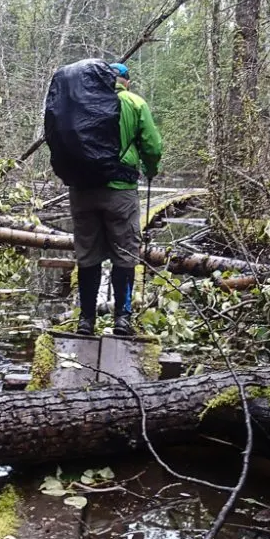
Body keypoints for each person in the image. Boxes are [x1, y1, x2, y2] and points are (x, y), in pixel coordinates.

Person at [71, 62, 163, 337]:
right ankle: (122, 319)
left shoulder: (81, 101)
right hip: (120, 190)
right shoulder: (134, 103)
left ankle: (86, 321)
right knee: (125, 253)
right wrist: (150, 169)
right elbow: (153, 146)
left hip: (82, 189)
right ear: (127, 81)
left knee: (88, 255)